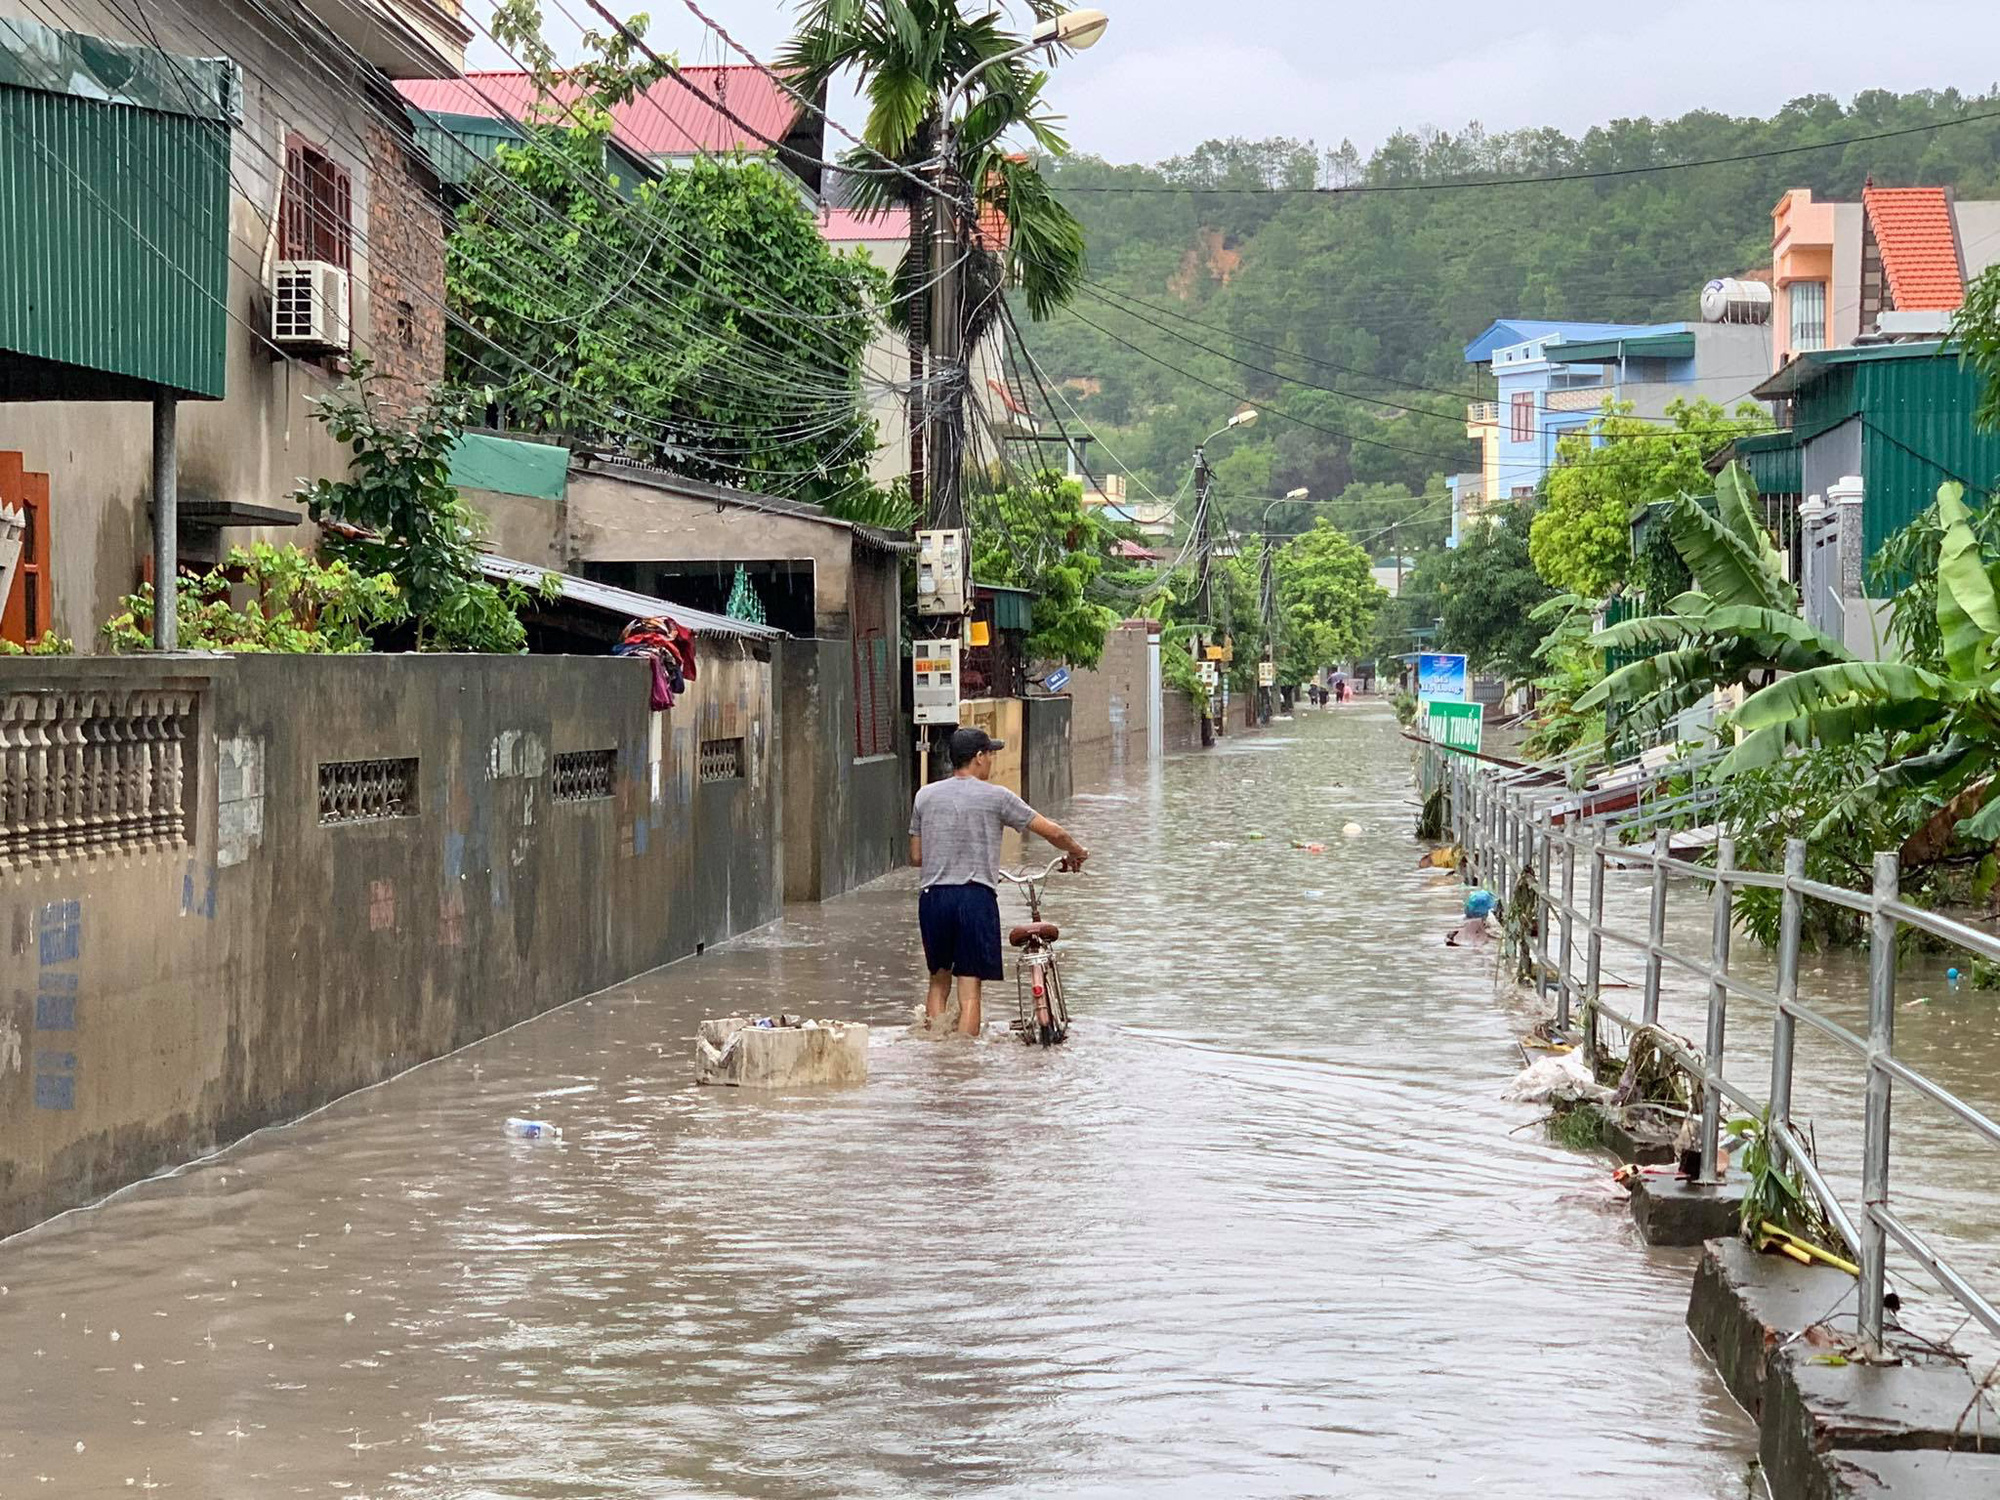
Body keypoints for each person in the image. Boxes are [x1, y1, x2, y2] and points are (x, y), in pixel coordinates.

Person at [910, 726, 1089, 1037]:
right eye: (989, 754)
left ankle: (937, 1055)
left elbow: (916, 856)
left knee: (938, 982)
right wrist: (1077, 851)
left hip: (933, 899)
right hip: (974, 899)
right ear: (979, 758)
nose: (991, 761)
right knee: (969, 992)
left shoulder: (925, 796)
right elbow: (1053, 832)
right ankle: (964, 1062)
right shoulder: (997, 797)